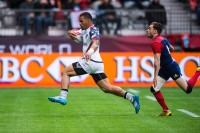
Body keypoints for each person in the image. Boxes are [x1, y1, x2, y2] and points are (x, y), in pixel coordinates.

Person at [48, 12, 140, 114]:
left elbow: (96, 42)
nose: (80, 23)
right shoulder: (84, 31)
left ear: (88, 20)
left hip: (90, 61)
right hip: (97, 64)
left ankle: (63, 97)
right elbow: (78, 40)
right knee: (107, 88)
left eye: (81, 21)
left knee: (65, 72)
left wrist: (90, 51)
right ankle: (131, 97)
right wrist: (70, 34)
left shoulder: (93, 30)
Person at [146, 22, 200, 116]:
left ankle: (198, 71)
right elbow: (172, 47)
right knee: (154, 89)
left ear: (155, 31)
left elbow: (157, 61)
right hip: (165, 69)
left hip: (171, 68)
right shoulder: (162, 39)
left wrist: (155, 77)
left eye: (149, 28)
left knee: (188, 89)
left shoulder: (155, 42)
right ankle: (166, 110)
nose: (147, 30)